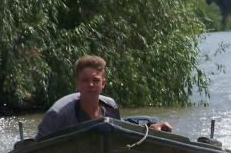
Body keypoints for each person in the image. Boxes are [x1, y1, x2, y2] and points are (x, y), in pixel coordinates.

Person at [35, 55, 172, 139]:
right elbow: (38, 150)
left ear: (103, 83)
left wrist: (151, 127)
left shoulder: (110, 107)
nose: (90, 85)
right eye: (85, 80)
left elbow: (123, 132)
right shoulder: (58, 115)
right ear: (77, 84)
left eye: (95, 80)